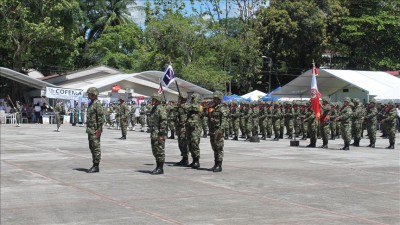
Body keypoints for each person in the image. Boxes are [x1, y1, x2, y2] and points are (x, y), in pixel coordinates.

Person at [86, 87, 104, 173]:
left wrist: (99, 129)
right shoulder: (91, 103)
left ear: (93, 94)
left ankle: (96, 165)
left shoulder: (97, 104)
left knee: (96, 147)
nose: (88, 95)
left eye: (89, 94)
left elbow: (101, 118)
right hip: (90, 129)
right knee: (91, 147)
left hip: (95, 129)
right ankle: (94, 164)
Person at [148, 93, 167, 175]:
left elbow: (163, 122)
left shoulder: (161, 109)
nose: (152, 100)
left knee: (159, 150)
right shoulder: (154, 108)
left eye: (154, 99)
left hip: (159, 132)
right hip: (154, 132)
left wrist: (161, 135)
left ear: (157, 100)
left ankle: (160, 168)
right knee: (155, 150)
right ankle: (157, 166)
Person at [208, 91, 227, 172]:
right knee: (214, 147)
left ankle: (219, 165)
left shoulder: (222, 108)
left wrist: (221, 131)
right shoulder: (213, 107)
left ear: (219, 98)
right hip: (212, 130)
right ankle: (215, 164)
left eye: (216, 98)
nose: (214, 99)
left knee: (219, 148)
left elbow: (224, 120)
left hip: (218, 130)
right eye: (214, 98)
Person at [187, 93, 202, 169]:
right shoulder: (190, 105)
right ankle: (193, 160)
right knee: (190, 144)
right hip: (190, 127)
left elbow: (195, 108)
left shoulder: (199, 106)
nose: (192, 100)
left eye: (193, 98)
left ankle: (197, 161)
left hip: (196, 128)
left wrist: (189, 106)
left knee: (195, 144)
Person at [174, 93, 189, 166]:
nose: (178, 100)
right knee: (180, 143)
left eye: (180, 98)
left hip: (184, 127)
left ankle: (185, 159)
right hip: (179, 127)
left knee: (183, 143)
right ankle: (184, 158)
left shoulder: (186, 106)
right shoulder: (179, 107)